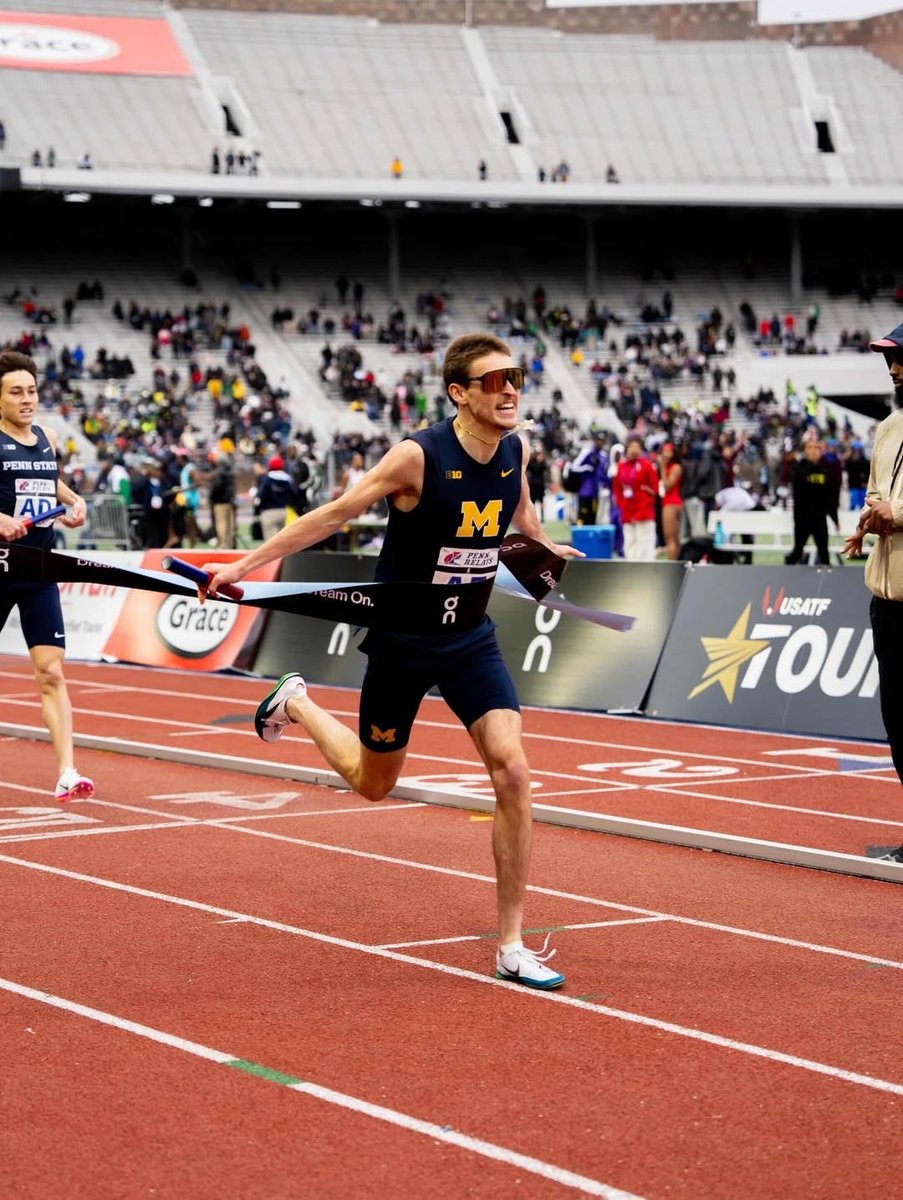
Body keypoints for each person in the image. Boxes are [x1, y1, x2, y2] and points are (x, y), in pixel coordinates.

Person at [205, 333, 584, 988]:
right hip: (402, 641)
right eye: (495, 382)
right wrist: (241, 566)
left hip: (469, 634)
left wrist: (543, 542)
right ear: (459, 393)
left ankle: (512, 945)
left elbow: (516, 504)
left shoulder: (516, 448)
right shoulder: (418, 456)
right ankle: (294, 700)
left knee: (513, 773)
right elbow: (334, 513)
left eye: (515, 378)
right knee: (374, 783)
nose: (511, 390)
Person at [0, 351, 92, 800]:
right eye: (16, 392)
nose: (27, 399)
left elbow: (46, 479)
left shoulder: (47, 437)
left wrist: (75, 502)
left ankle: (67, 772)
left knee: (51, 670)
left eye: (31, 391)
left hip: (38, 569)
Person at [843, 323, 903, 862]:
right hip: (886, 598)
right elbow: (876, 492)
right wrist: (868, 521)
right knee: (898, 722)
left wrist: (897, 515)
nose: (893, 368)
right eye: (889, 359)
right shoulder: (887, 428)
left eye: (900, 358)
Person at [784, 438, 838, 565]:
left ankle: (826, 581)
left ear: (821, 452)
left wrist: (835, 519)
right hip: (802, 518)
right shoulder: (798, 468)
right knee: (797, 551)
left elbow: (830, 498)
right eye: (810, 447)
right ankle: (787, 574)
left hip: (819, 519)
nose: (813, 451)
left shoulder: (825, 471)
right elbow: (792, 480)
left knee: (824, 553)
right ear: (805, 451)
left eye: (816, 448)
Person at [611, 434, 659, 560]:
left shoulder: (647, 465)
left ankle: (646, 569)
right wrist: (621, 503)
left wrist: (647, 493)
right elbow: (617, 487)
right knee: (630, 540)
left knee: (645, 541)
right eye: (631, 447)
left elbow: (655, 488)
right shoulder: (622, 466)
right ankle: (631, 567)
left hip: (644, 511)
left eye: (637, 447)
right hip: (628, 510)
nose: (634, 450)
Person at [658, 442, 684, 560]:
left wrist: (662, 468)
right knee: (672, 538)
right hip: (668, 502)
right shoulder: (669, 467)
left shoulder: (675, 467)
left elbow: (668, 485)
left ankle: (672, 563)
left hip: (672, 503)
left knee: (671, 538)